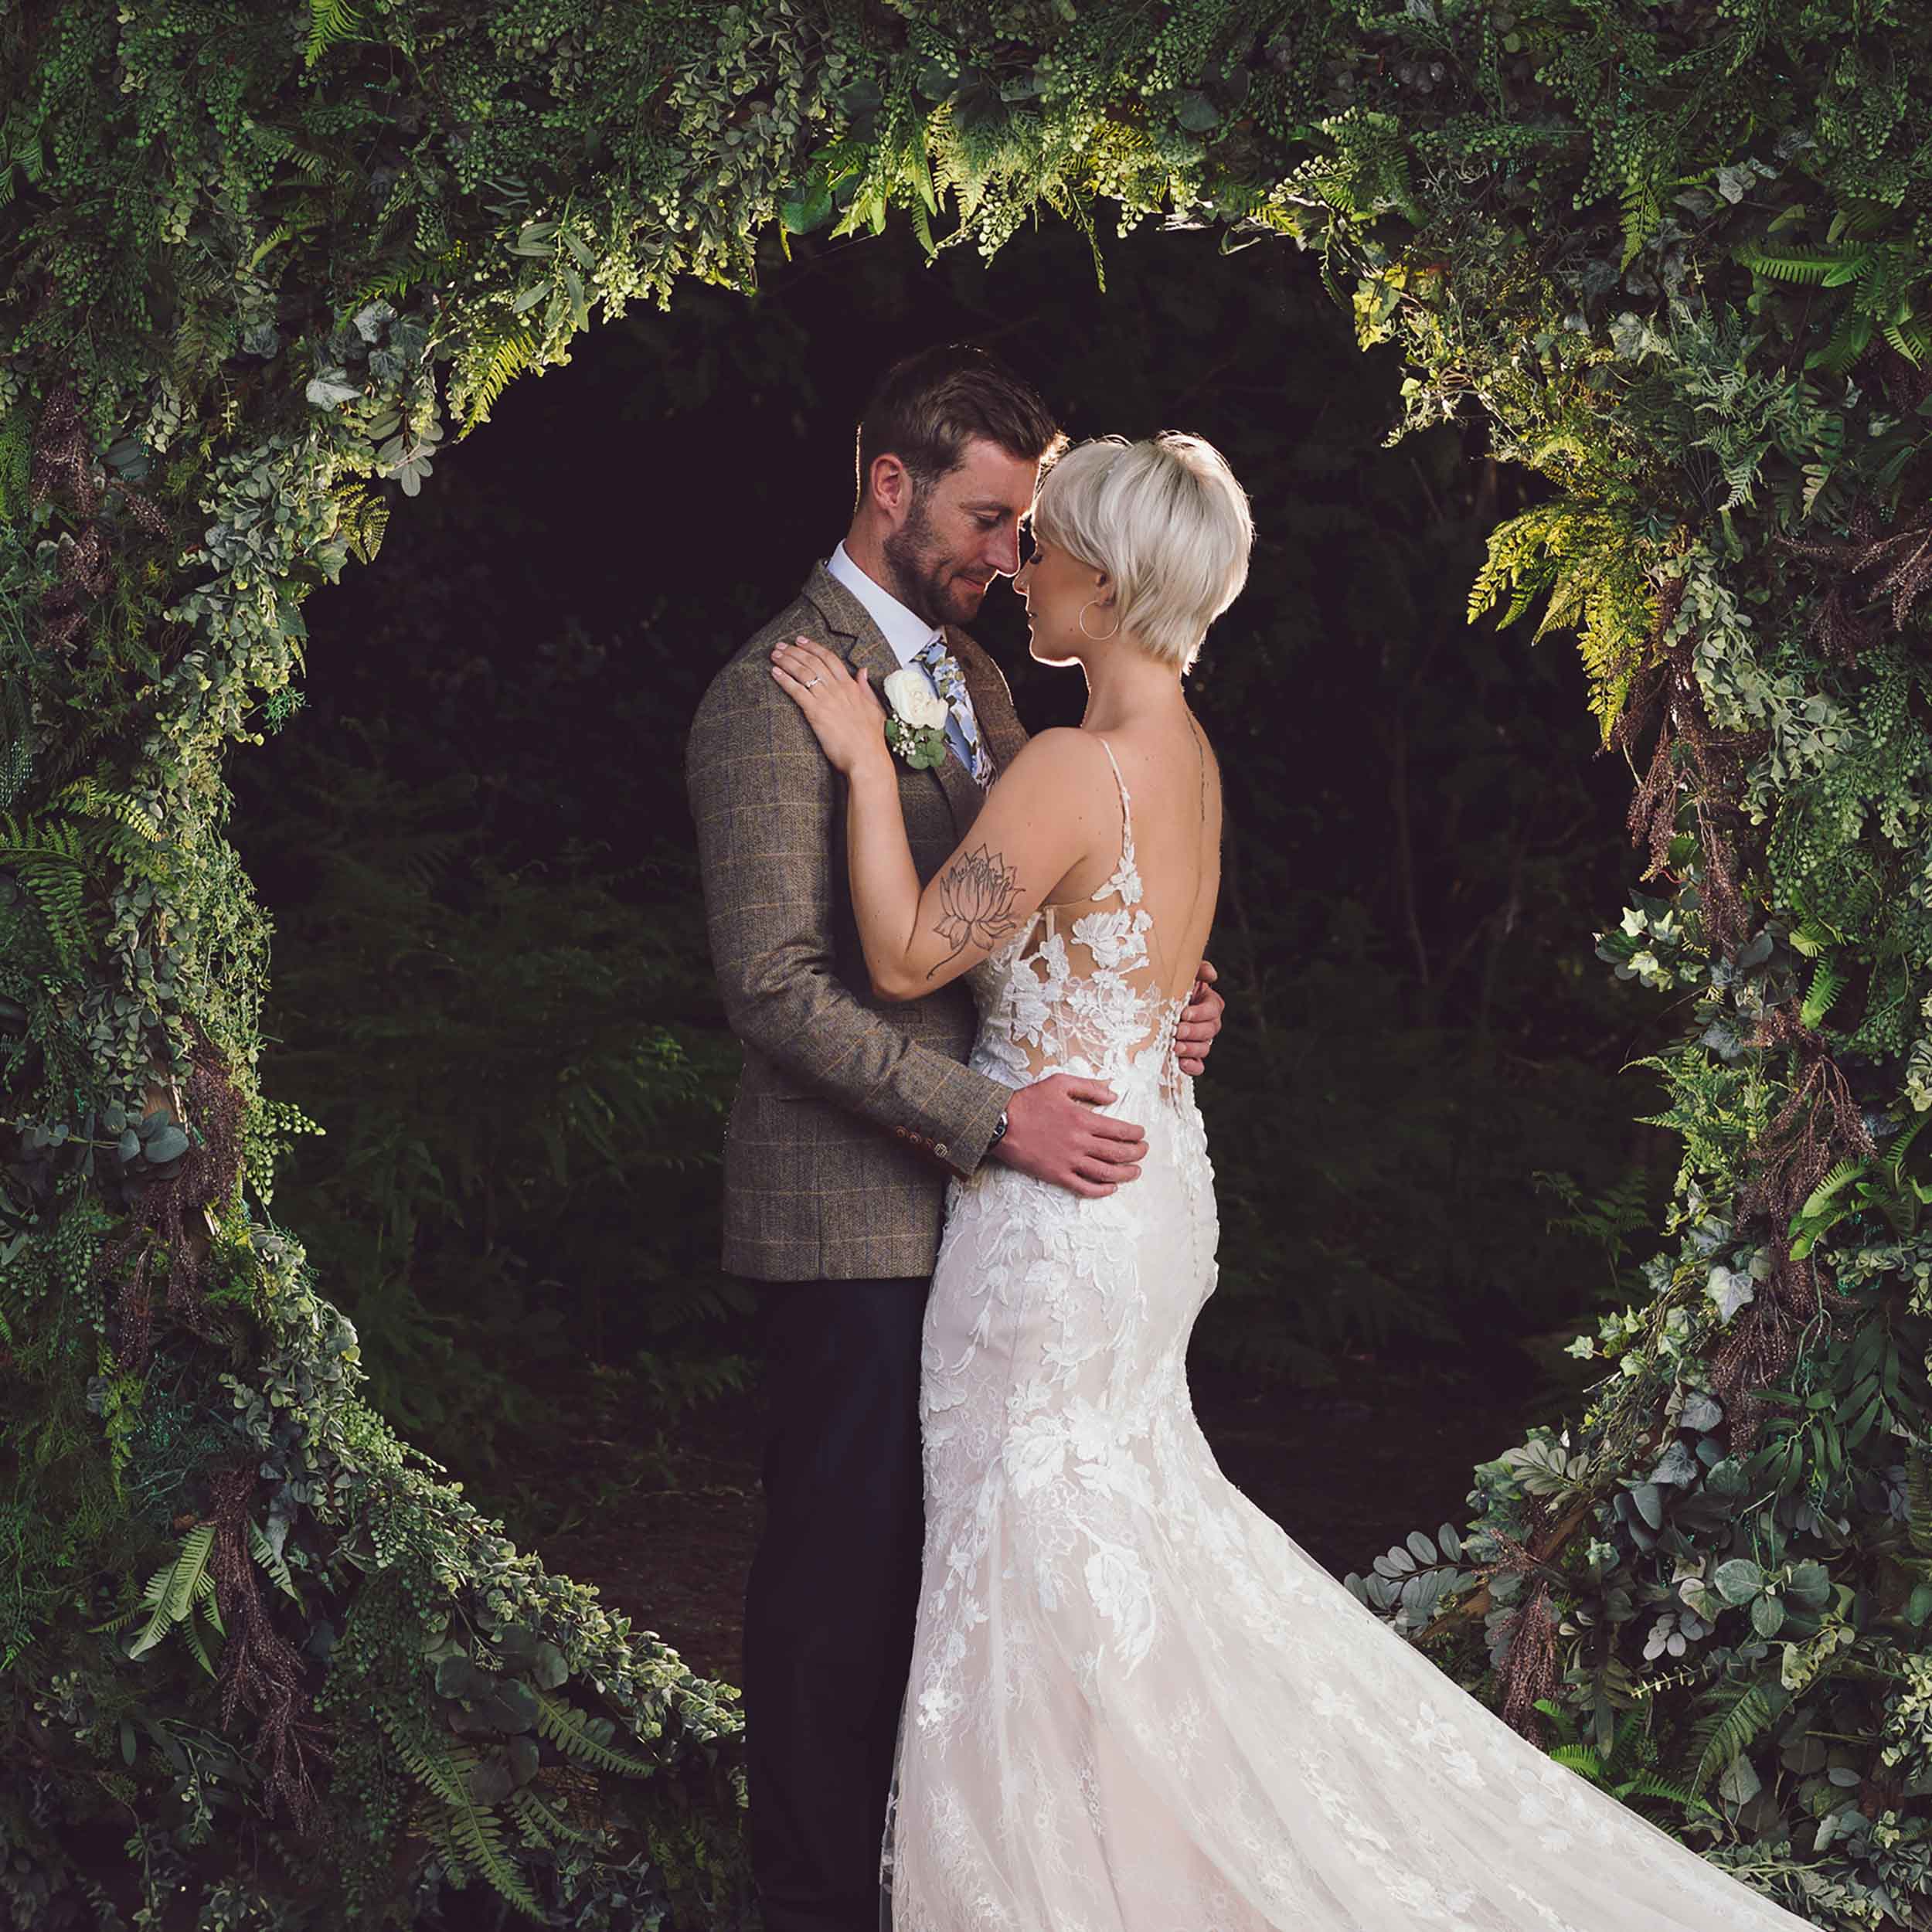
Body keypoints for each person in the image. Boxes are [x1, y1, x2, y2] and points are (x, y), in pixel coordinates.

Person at [769, 430, 1821, 1930]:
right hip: (1148, 1184)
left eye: (1048, 545)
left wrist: (865, 758)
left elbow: (901, 954)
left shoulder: (1071, 764)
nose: (1022, 570)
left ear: (1114, 580)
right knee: (1114, 1550)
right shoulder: (1182, 755)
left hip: (1057, 1224)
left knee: (1037, 1564)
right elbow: (1143, 976)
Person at [684, 346, 1228, 1932]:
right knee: (837, 1598)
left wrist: (1153, 1012)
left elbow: (1060, 905)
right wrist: (993, 1115)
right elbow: (777, 992)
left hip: (1016, 1218)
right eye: (990, 520)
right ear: (887, 486)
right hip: (857, 1209)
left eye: (1029, 530)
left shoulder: (990, 691)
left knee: (970, 1599)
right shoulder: (767, 693)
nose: (1008, 553)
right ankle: (812, 1901)